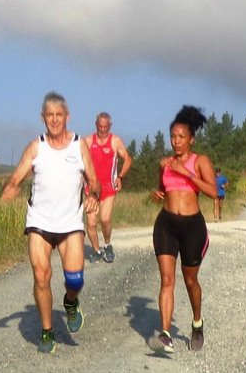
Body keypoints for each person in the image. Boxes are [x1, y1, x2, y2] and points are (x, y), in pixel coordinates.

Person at [1, 92, 101, 354]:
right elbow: (17, 176)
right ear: (42, 117)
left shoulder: (79, 145)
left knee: (75, 280)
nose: (54, 120)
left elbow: (94, 180)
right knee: (41, 275)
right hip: (40, 221)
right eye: (49, 115)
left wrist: (94, 196)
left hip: (70, 223)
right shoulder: (37, 146)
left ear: (67, 116)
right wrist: (11, 186)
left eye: (59, 115)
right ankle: (47, 331)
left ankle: (71, 302)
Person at [148, 105, 217, 353]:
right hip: (166, 224)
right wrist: (157, 193)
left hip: (192, 228)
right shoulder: (165, 163)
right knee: (167, 280)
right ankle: (165, 335)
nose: (176, 141)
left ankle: (197, 323)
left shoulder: (200, 161)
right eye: (173, 137)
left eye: (181, 137)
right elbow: (162, 188)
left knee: (190, 280)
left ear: (191, 139)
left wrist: (186, 173)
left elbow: (213, 192)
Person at [84, 112, 133, 263]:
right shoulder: (88, 141)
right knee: (91, 222)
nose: (103, 129)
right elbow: (79, 161)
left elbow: (128, 159)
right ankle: (97, 250)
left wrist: (120, 177)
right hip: (91, 189)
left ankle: (107, 244)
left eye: (105, 127)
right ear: (96, 125)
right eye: (100, 126)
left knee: (105, 219)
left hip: (108, 187)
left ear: (110, 126)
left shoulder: (115, 141)